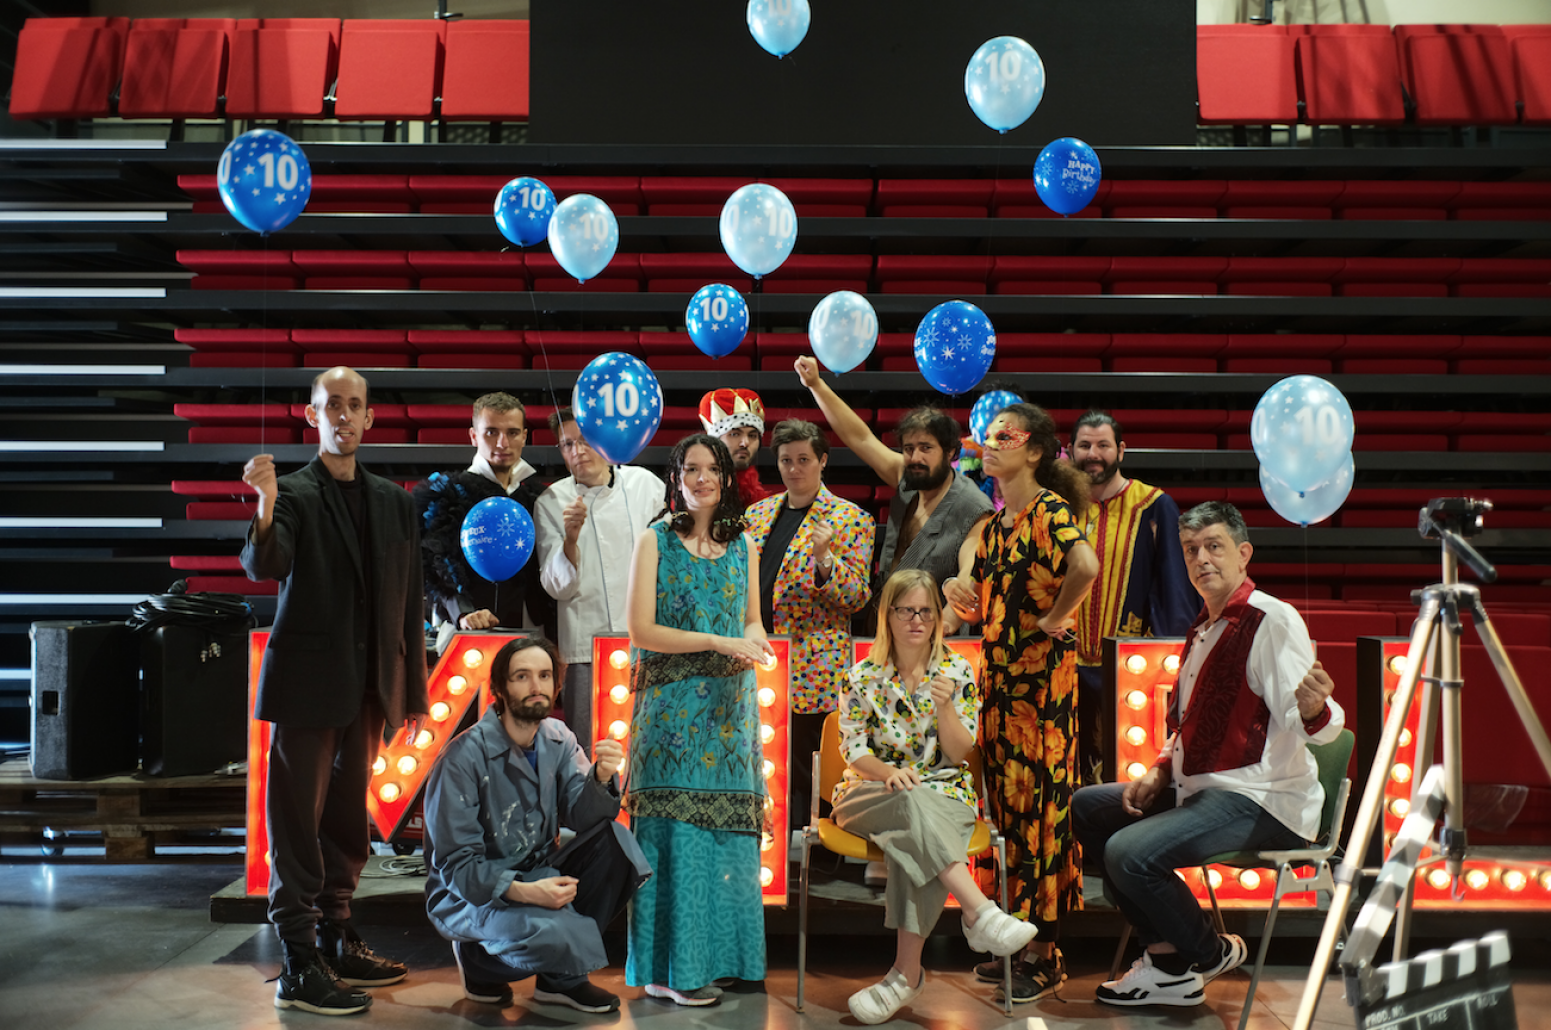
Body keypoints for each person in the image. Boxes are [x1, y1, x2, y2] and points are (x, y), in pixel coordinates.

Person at [1073, 501, 1343, 1008]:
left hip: (1261, 798)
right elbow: (1183, 723)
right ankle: (1168, 962)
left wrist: (1314, 709)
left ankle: (1206, 951)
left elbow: (1317, 728)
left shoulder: (1271, 620)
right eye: (1191, 550)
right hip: (1200, 788)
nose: (1202, 559)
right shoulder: (1202, 627)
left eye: (1214, 547)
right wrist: (1157, 768)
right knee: (1088, 807)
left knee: (1127, 852)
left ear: (1244, 554)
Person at [240, 366, 428, 1015]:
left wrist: (411, 694)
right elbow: (267, 564)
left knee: (348, 822)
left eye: (354, 406)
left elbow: (409, 604)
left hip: (371, 688)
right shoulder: (290, 492)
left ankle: (336, 932)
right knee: (296, 823)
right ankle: (296, 958)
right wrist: (264, 506)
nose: (343, 416)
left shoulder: (394, 500)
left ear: (370, 417)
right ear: (311, 415)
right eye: (331, 406)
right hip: (306, 686)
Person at [943, 402, 1099, 1004]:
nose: (989, 444)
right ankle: (1025, 940)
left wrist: (1056, 617)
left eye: (1003, 436)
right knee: (1009, 816)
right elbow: (970, 583)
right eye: (986, 436)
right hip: (1001, 691)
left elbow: (1084, 563)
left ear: (1034, 450)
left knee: (1043, 818)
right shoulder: (999, 522)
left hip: (1042, 698)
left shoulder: (1048, 511)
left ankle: (1046, 952)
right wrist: (960, 587)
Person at [833, 568, 1038, 1025]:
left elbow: (960, 751)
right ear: (888, 615)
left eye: (926, 611)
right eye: (906, 610)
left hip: (941, 789)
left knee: (916, 820)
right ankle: (979, 912)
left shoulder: (956, 669)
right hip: (869, 791)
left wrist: (945, 705)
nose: (916, 620)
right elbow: (854, 750)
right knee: (909, 802)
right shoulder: (861, 675)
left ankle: (905, 975)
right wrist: (889, 773)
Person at [623, 434, 776, 1006]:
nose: (704, 478)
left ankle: (731, 961)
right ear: (677, 476)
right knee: (677, 842)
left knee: (727, 842)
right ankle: (671, 972)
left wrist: (753, 643)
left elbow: (754, 620)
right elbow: (641, 631)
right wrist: (718, 639)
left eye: (713, 468)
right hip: (672, 717)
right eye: (693, 468)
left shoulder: (745, 545)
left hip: (730, 714)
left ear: (727, 477)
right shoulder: (654, 540)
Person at [422, 635, 651, 1014]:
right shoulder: (463, 758)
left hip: (539, 872)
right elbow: (456, 867)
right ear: (499, 688)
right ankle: (479, 962)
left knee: (617, 843)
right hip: (471, 892)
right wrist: (528, 893)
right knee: (550, 931)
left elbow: (582, 816)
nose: (536, 687)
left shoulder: (558, 738)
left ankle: (560, 981)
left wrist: (600, 776)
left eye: (544, 676)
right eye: (522, 677)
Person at [744, 419, 876, 823]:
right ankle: (777, 847)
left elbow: (856, 598)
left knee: (812, 766)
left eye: (803, 459)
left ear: (822, 461)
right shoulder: (758, 513)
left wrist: (825, 561)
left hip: (815, 663)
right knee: (769, 761)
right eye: (786, 460)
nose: (794, 469)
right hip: (761, 658)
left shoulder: (851, 519)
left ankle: (823, 850)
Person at [1069, 411, 1199, 785]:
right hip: (1065, 665)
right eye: (1085, 445)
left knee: (1125, 776)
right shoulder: (1057, 506)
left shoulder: (1154, 506)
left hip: (1129, 671)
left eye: (1103, 445)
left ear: (1121, 450)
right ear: (1070, 451)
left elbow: (1175, 592)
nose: (1094, 454)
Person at [794, 354, 992, 592]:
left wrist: (950, 617)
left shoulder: (975, 508)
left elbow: (970, 573)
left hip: (932, 624)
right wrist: (816, 384)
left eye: (926, 448)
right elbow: (860, 438)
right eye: (909, 449)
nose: (915, 457)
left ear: (950, 452)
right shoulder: (907, 476)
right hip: (884, 617)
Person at [533, 408, 666, 754]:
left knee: (652, 742)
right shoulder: (551, 501)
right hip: (584, 647)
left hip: (647, 639)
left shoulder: (645, 485)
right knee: (591, 748)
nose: (577, 451)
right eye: (567, 444)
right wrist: (570, 539)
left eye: (585, 440)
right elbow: (556, 586)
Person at [413, 392, 552, 649]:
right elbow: (434, 563)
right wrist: (463, 612)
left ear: (524, 436)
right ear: (473, 435)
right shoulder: (447, 492)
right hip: (464, 633)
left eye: (512, 432)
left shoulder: (539, 497)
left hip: (530, 631)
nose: (502, 443)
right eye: (491, 432)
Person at [699, 387, 774, 509]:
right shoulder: (694, 489)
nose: (745, 443)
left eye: (752, 435)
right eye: (734, 434)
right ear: (714, 440)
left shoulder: (758, 500)